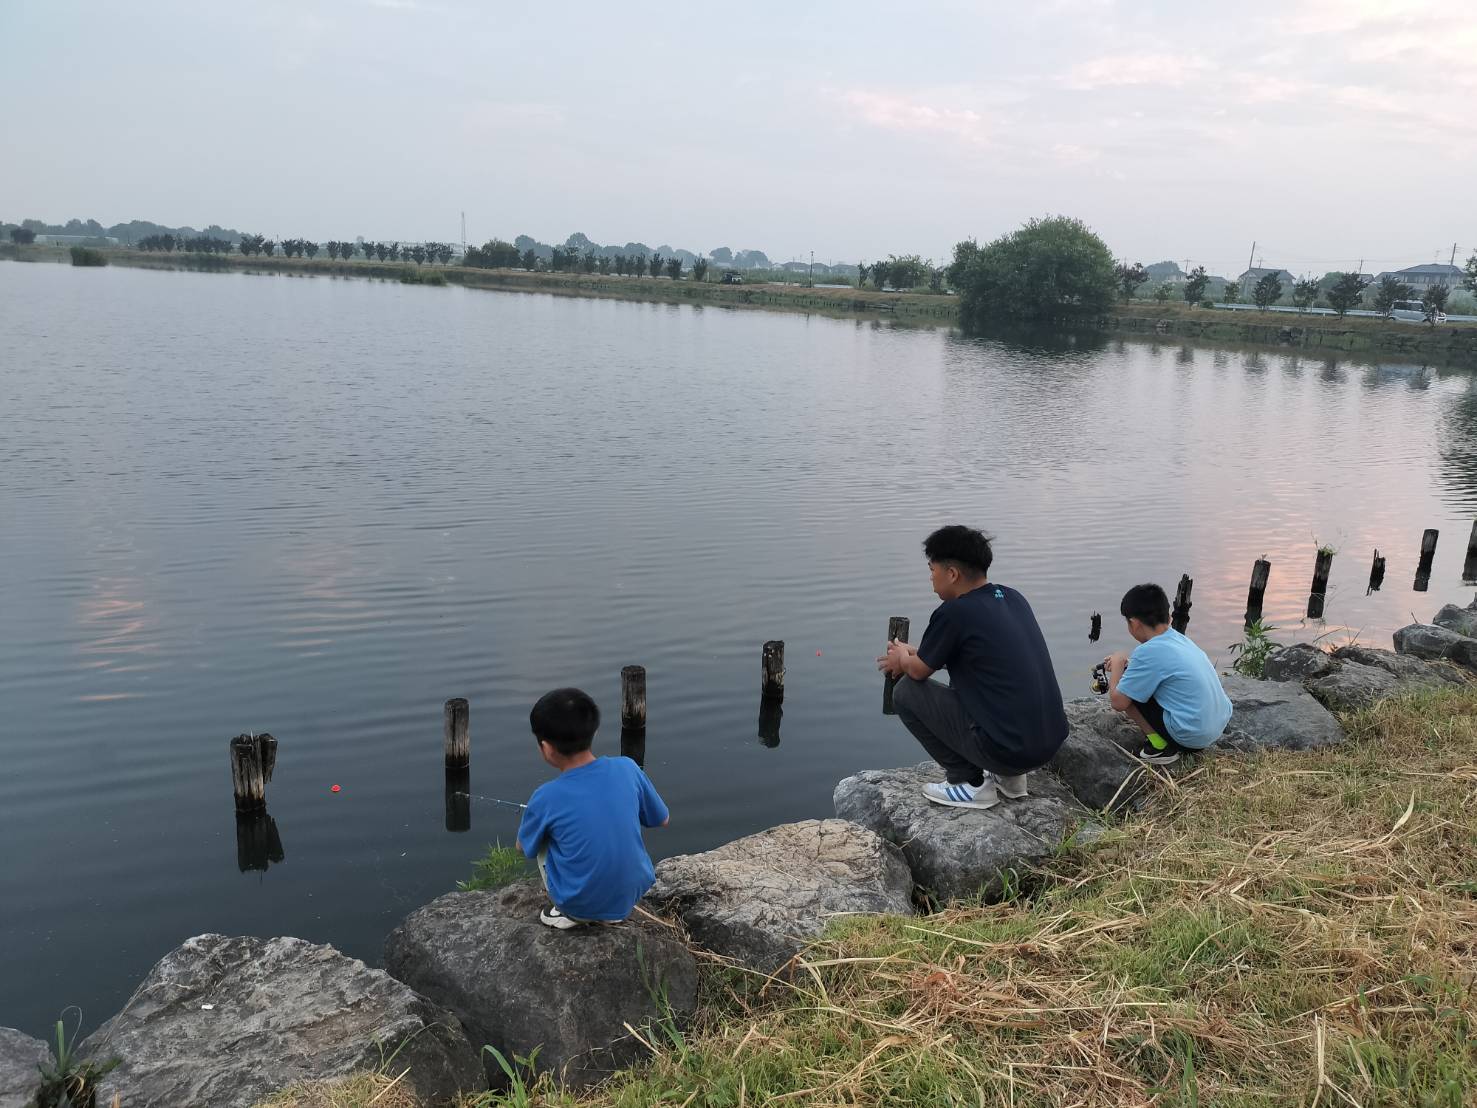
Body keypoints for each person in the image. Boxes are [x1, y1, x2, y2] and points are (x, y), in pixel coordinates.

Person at [877, 525, 1068, 811]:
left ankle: (969, 782)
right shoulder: (1012, 598)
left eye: (932, 569)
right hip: (1047, 744)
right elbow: (982, 658)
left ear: (952, 574)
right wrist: (919, 654)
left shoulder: (954, 612)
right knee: (970, 681)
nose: (930, 577)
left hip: (1008, 750)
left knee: (905, 693)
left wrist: (901, 659)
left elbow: (917, 672)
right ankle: (1011, 779)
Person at [516, 687, 669, 929]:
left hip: (580, 905)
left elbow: (524, 848)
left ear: (546, 748)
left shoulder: (545, 796)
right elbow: (662, 819)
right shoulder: (628, 768)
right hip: (634, 891)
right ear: (595, 731)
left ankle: (569, 912)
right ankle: (613, 907)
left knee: (543, 840)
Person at [1103, 583, 1233, 765]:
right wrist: (1129, 665)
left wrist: (1118, 666)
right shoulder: (1181, 639)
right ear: (1168, 617)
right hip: (1217, 726)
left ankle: (1160, 747)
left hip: (1191, 737)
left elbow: (1118, 702)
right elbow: (1162, 666)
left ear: (1134, 623)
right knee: (1134, 679)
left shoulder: (1147, 651)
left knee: (1128, 689)